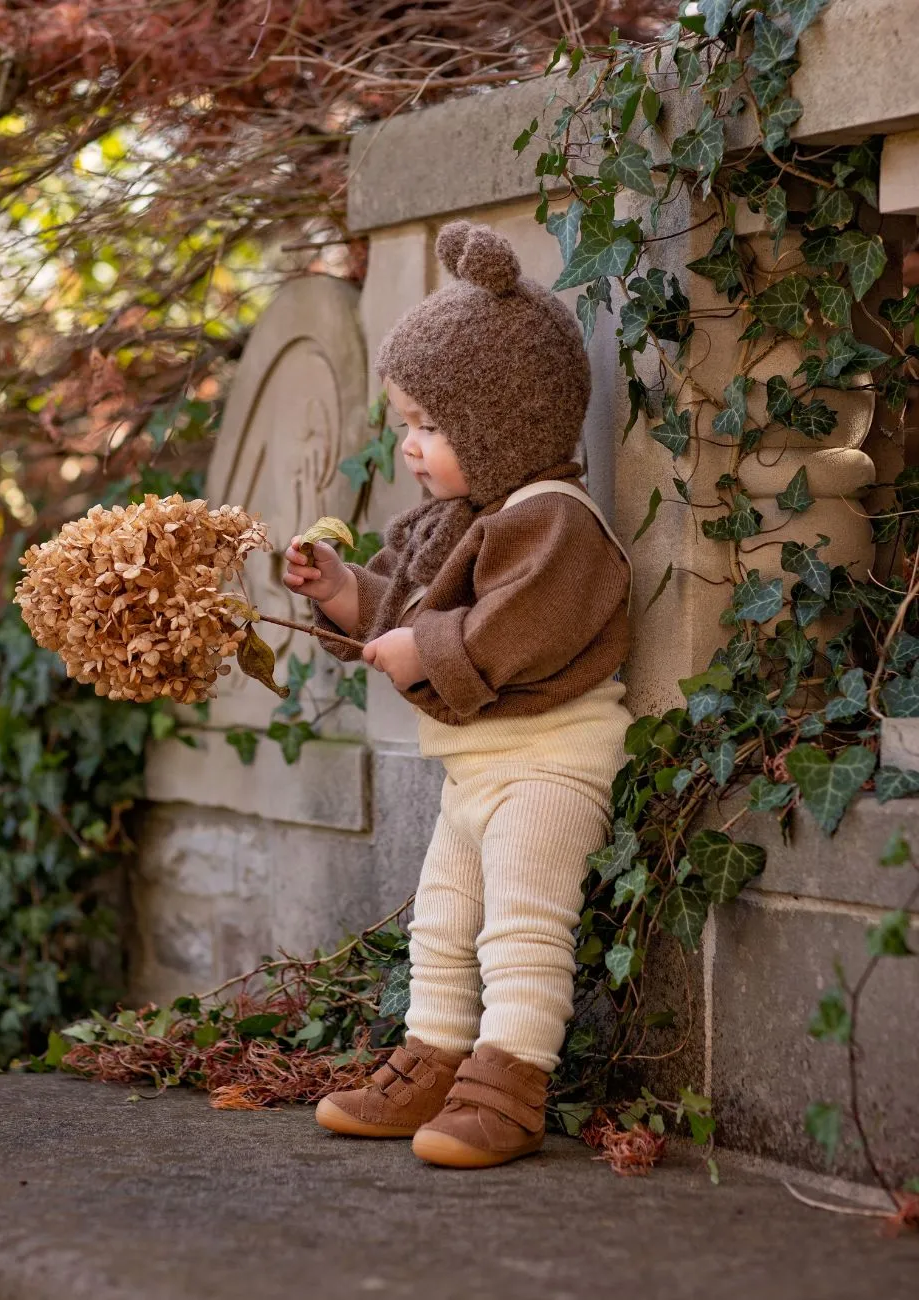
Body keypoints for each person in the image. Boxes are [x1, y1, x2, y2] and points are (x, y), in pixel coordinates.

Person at [283, 220, 632, 1169]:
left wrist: (421, 649)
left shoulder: (552, 522)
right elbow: (396, 603)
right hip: (478, 767)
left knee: (522, 920)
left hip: (549, 763)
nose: (411, 447)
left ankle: (511, 1080)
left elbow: (510, 632)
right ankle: (433, 1057)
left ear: (504, 422)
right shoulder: (455, 521)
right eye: (404, 426)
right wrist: (340, 592)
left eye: (431, 427)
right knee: (442, 919)